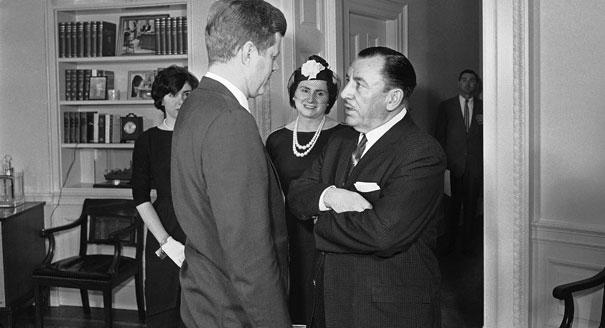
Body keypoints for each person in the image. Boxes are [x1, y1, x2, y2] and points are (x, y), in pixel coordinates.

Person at [288, 46, 446, 328]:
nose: (346, 92)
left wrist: (319, 219)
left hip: (387, 313)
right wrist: (331, 195)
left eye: (358, 85)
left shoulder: (421, 153)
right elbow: (299, 194)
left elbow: (381, 234)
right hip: (331, 304)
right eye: (348, 80)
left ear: (393, 98)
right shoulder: (340, 141)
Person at [170, 1, 291, 327]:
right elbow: (249, 256)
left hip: (203, 301)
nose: (275, 67)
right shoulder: (231, 120)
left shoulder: (195, 103)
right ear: (249, 52)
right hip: (233, 311)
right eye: (273, 56)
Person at [266, 54, 350, 324]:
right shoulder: (276, 139)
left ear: (330, 99)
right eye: (304, 90)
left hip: (329, 233)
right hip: (287, 234)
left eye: (320, 93)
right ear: (293, 94)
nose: (311, 99)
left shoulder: (347, 136)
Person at [131, 65, 199, 328]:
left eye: (187, 93)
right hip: (163, 228)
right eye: (173, 93)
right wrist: (166, 242)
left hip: (198, 226)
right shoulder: (147, 141)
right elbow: (140, 196)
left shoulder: (201, 136)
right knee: (164, 306)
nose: (181, 100)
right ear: (160, 99)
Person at [435, 69, 483, 254]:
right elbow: (439, 136)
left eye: (472, 81)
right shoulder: (446, 106)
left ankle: (468, 246)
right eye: (464, 80)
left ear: (476, 85)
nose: (468, 83)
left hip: (474, 166)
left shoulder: (484, 107)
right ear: (458, 83)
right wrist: (442, 164)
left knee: (471, 207)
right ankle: (450, 244)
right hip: (452, 166)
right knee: (452, 208)